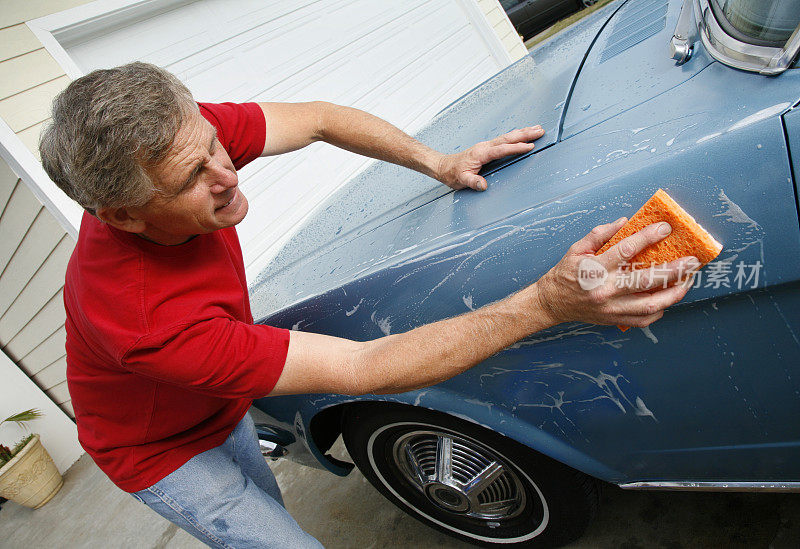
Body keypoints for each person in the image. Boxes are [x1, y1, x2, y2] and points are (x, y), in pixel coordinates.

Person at [39, 62, 696, 548]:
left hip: (218, 397)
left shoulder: (176, 142)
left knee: (268, 502)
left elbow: (321, 118)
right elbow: (362, 367)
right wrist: (549, 304)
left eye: (214, 142)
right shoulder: (147, 321)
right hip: (159, 447)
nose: (227, 170)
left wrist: (437, 161)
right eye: (193, 178)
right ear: (122, 215)